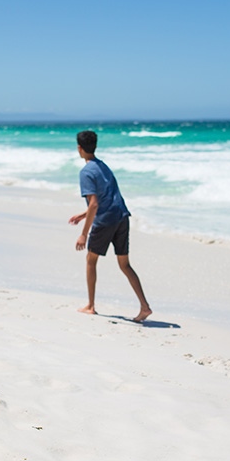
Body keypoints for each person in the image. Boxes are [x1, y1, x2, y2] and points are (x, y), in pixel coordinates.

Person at [68, 130, 151, 322]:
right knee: (125, 264)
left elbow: (95, 203)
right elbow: (107, 196)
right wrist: (83, 215)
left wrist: (83, 234)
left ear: (79, 148)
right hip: (122, 217)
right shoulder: (103, 166)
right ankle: (144, 307)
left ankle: (90, 305)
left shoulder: (86, 172)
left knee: (91, 260)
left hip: (105, 221)